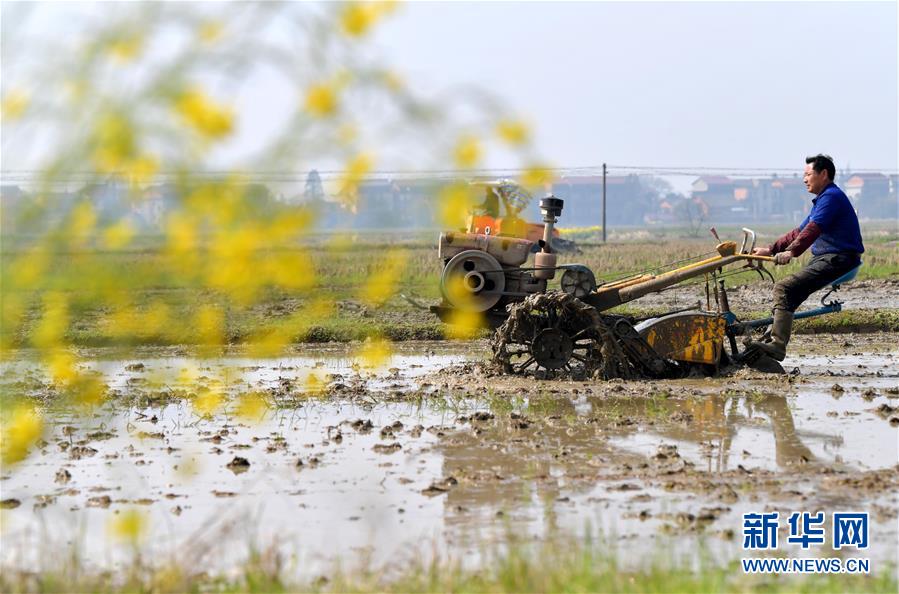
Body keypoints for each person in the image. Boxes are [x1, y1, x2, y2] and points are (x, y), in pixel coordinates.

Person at [748, 154, 864, 361]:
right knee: (787, 295)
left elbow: (813, 229)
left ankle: (776, 345)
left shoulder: (831, 198)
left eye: (808, 174)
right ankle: (768, 341)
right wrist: (770, 250)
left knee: (784, 288)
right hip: (827, 259)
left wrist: (792, 252)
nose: (804, 179)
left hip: (838, 259)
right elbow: (798, 231)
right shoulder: (823, 200)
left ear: (824, 174)